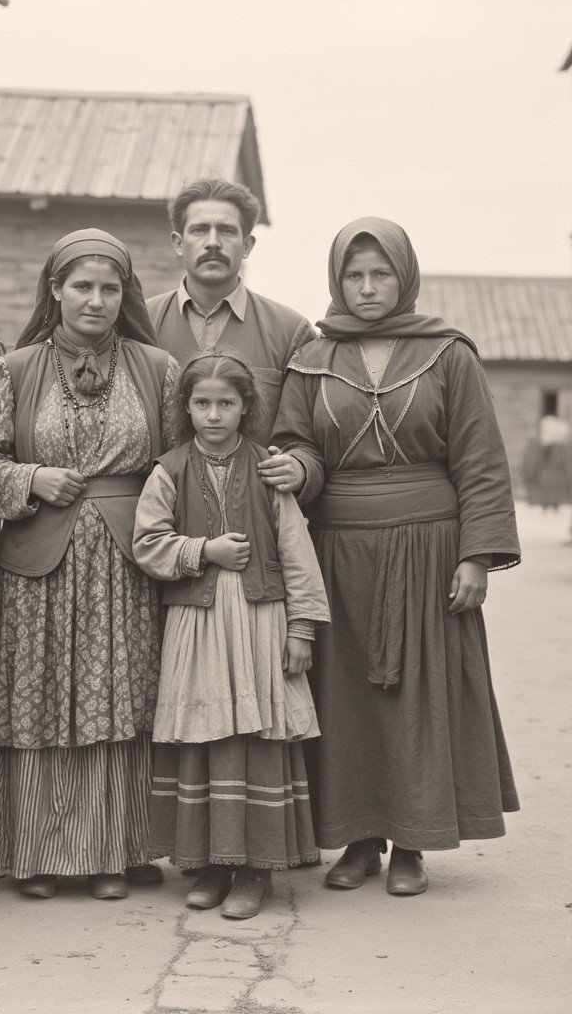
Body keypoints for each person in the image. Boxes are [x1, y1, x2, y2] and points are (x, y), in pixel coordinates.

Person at [272, 217, 521, 895]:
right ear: (336, 281)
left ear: (405, 276)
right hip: (338, 550)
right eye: (354, 275)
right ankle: (358, 840)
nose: (367, 287)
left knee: (420, 694)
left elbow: (480, 459)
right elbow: (299, 444)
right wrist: (298, 470)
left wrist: (477, 555)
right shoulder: (311, 359)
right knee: (346, 696)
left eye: (381, 273)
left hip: (428, 548)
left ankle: (415, 841)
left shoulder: (448, 354)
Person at [0, 229, 179, 900]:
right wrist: (31, 479)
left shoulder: (158, 368)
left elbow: (176, 467)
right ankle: (34, 854)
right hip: (39, 566)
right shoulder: (16, 370)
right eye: (81, 286)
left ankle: (115, 853)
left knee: (116, 701)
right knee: (38, 702)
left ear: (125, 295)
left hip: (125, 565)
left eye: (109, 288)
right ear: (54, 290)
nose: (95, 300)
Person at [133, 356, 329, 919]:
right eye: (202, 403)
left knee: (259, 735)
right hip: (197, 625)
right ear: (186, 408)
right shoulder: (168, 470)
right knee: (206, 733)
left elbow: (296, 551)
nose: (213, 415)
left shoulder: (269, 469)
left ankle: (256, 869)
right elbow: (148, 544)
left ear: (246, 407)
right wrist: (202, 552)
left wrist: (302, 628)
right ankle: (210, 864)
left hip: (260, 623)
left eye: (226, 403)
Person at [146, 177, 314, 496]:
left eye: (226, 230)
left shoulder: (291, 331)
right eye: (199, 230)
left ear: (247, 245)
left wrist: (301, 466)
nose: (212, 242)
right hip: (162, 519)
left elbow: (308, 441)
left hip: (254, 514)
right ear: (178, 243)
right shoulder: (141, 325)